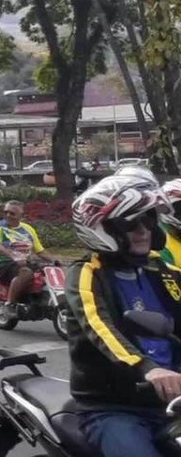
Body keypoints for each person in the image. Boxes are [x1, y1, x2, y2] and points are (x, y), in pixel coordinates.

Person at [66, 175, 181, 457]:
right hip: (115, 407)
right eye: (130, 224)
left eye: (148, 221)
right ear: (103, 230)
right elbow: (98, 325)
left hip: (172, 399)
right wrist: (147, 367)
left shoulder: (161, 269)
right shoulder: (86, 273)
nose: (143, 231)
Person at [0, 200, 59, 319]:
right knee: (26, 273)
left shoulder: (28, 229)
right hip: (3, 264)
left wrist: (54, 261)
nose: (8, 215)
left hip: (23, 263)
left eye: (12, 213)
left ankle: (40, 301)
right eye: (6, 212)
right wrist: (14, 256)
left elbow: (39, 250)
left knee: (47, 272)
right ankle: (9, 304)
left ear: (21, 215)